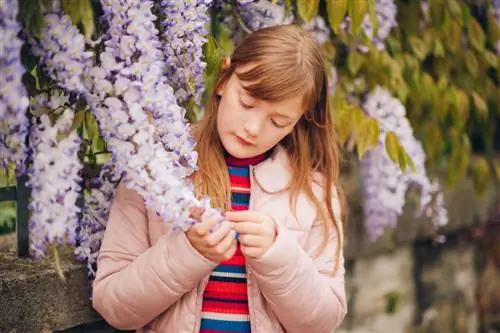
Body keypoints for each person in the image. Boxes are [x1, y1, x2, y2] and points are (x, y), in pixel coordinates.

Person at [92, 24, 347, 333]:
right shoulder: (155, 168)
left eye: (278, 121)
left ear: (300, 120)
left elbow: (323, 323)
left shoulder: (313, 192)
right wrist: (188, 251)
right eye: (247, 103)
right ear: (224, 79)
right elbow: (114, 306)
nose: (253, 128)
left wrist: (279, 256)